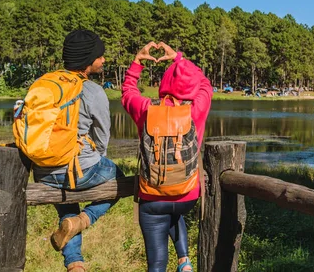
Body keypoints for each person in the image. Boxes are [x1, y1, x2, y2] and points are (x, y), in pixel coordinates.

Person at [32, 29, 125, 272]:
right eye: (100, 56)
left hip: (43, 170)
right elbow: (102, 137)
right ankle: (85, 219)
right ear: (87, 60)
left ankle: (75, 265)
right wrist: (96, 159)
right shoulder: (92, 91)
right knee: (122, 180)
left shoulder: (45, 83)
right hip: (80, 169)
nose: (103, 60)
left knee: (66, 203)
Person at [122, 41, 212, 272]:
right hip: (187, 196)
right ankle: (185, 261)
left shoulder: (145, 109)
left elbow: (128, 91)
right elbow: (204, 83)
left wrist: (136, 63)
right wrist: (179, 59)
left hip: (153, 198)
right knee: (174, 212)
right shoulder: (197, 109)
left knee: (157, 265)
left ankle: (181, 261)